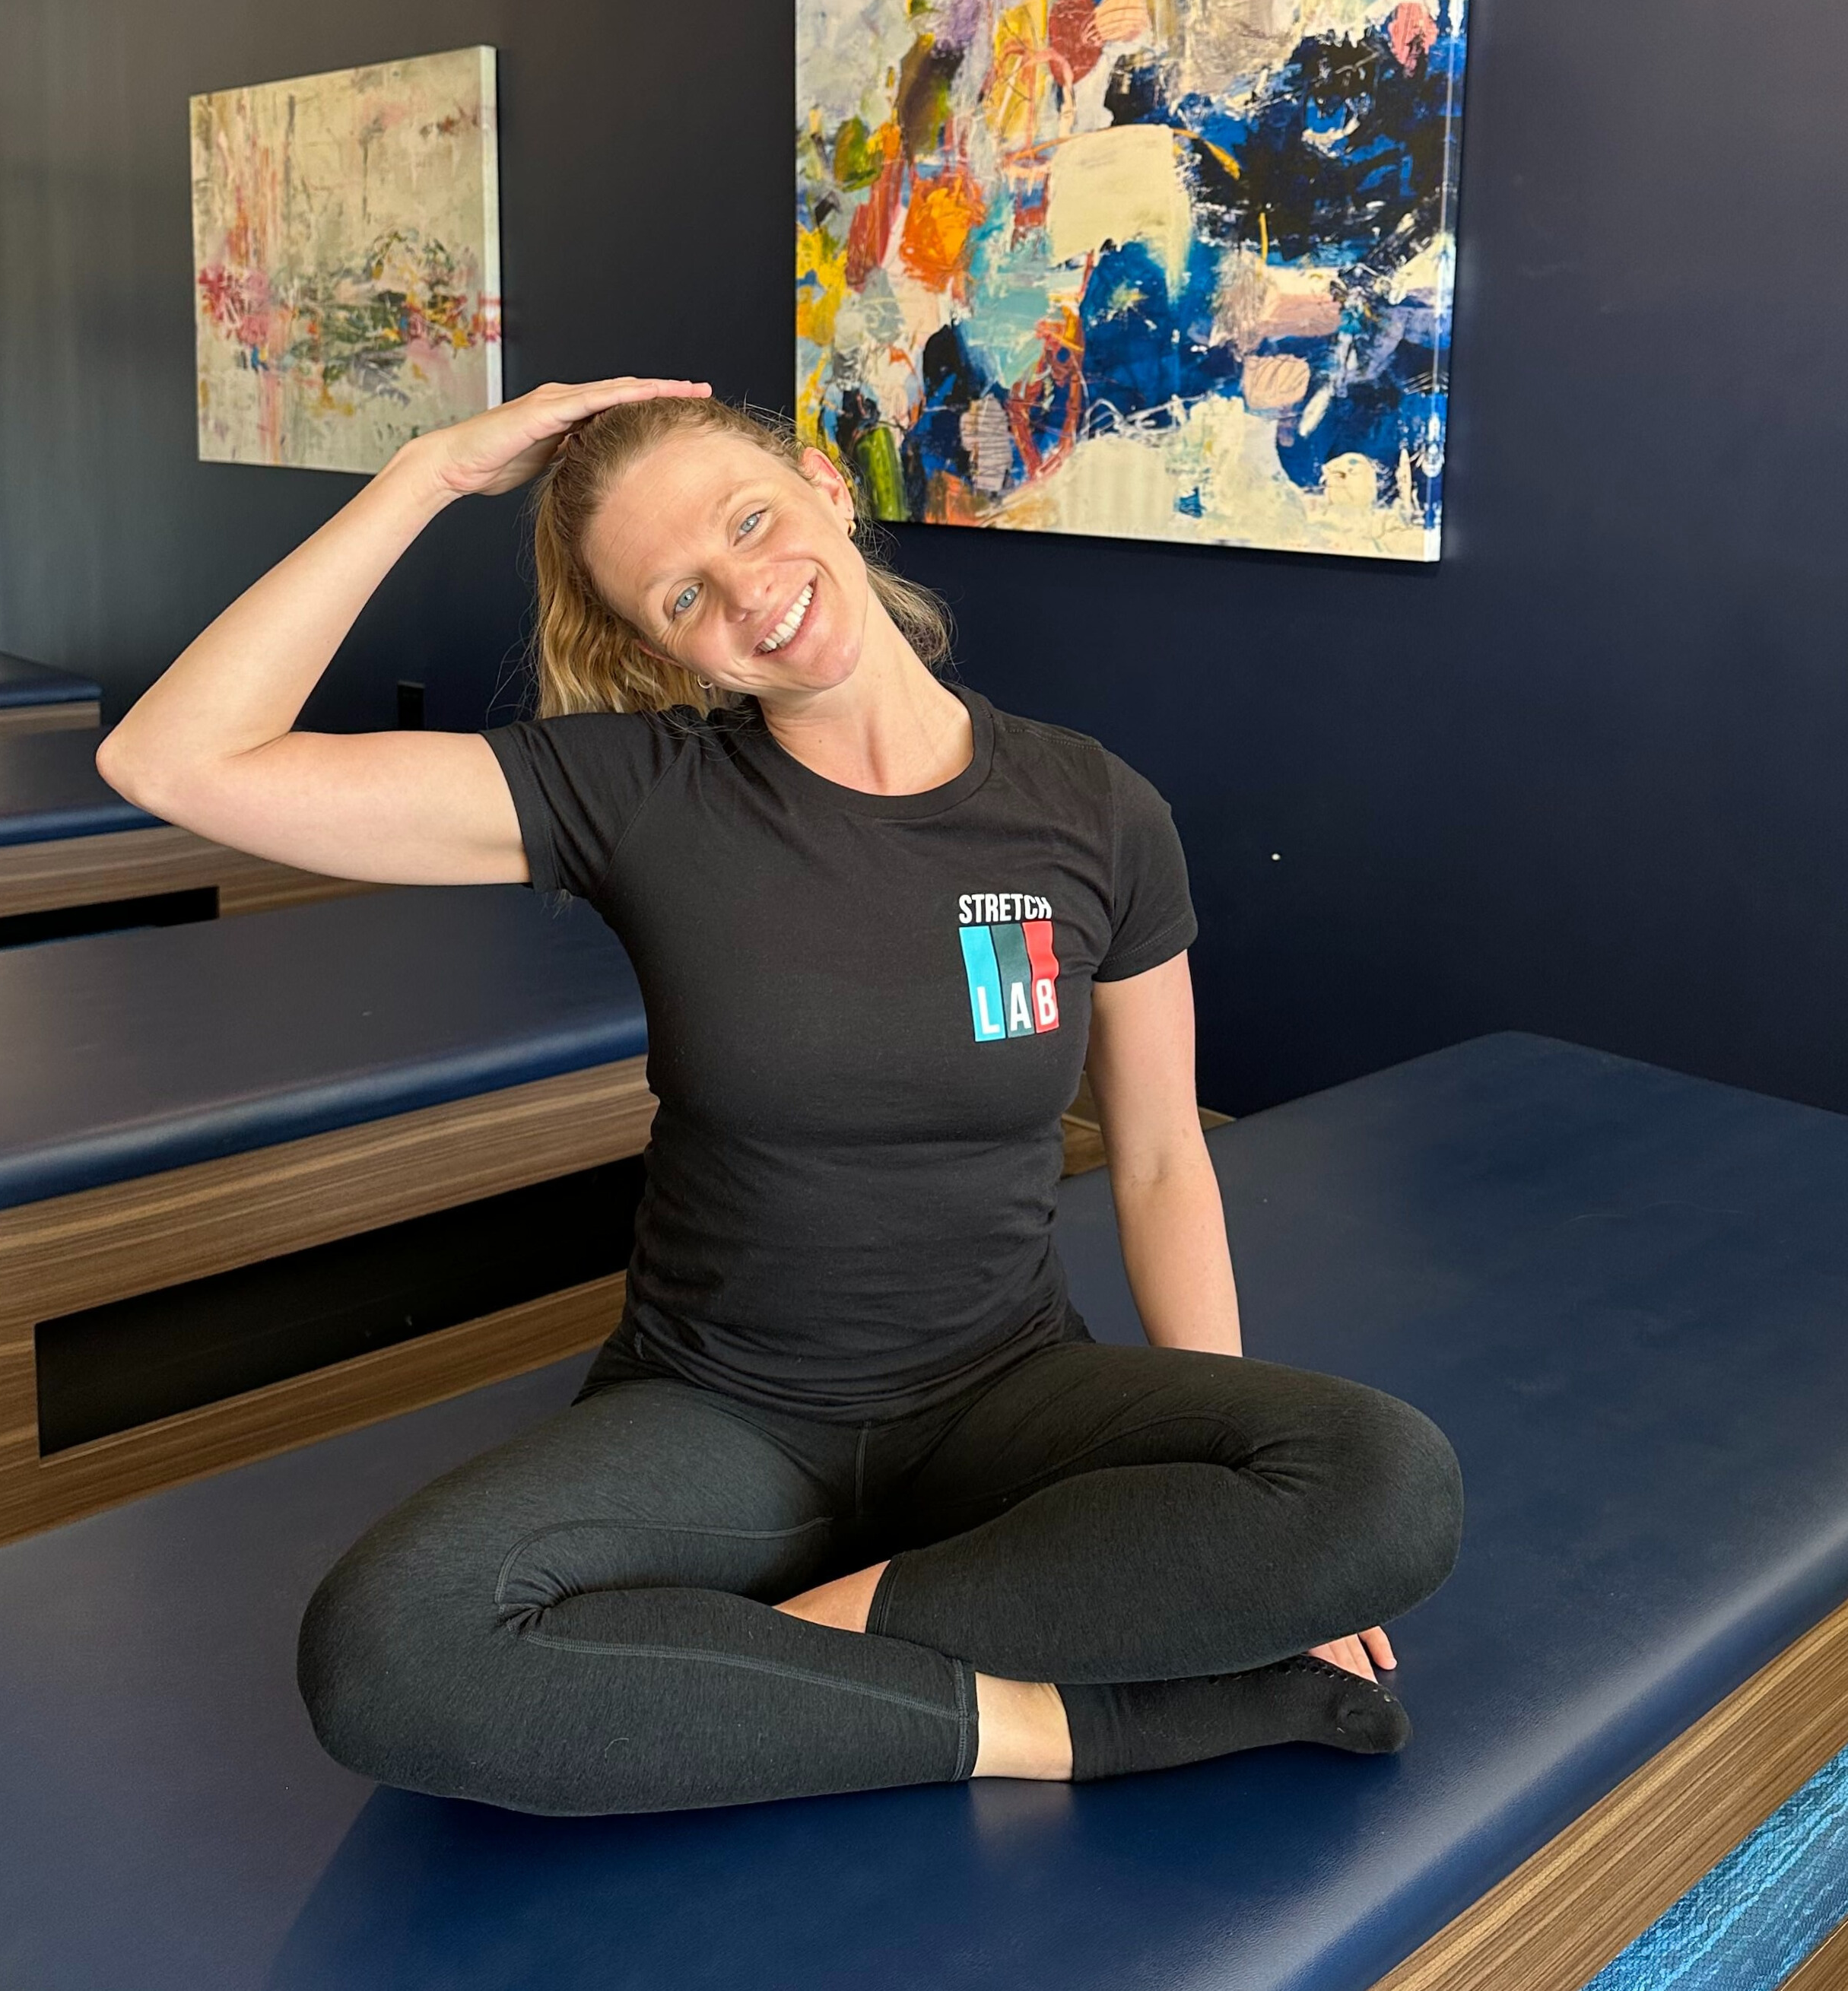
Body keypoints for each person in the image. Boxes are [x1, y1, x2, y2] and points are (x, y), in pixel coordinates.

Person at [97, 376, 1462, 1816]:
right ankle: (1078, 1727)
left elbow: (1164, 1162)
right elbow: (170, 761)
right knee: (388, 1652)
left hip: (1006, 1394)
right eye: (682, 594)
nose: (750, 593)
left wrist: (1235, 1519)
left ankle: (757, 1670)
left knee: (1383, 1484)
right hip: (722, 1420)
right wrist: (427, 473)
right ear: (654, 645)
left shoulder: (1092, 808)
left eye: (751, 520)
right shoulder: (637, 794)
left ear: (827, 483)